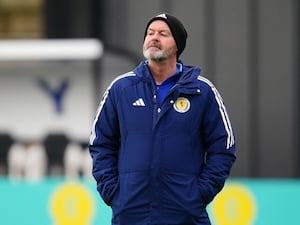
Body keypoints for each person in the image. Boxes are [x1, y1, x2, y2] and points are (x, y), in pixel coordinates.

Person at [89, 13, 236, 225]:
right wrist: (113, 192)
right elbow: (100, 142)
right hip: (131, 213)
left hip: (185, 213)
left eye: (163, 34)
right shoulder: (121, 88)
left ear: (177, 44)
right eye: (150, 33)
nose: (154, 37)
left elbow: (224, 147)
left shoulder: (202, 91)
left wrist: (199, 193)